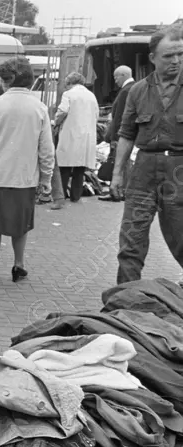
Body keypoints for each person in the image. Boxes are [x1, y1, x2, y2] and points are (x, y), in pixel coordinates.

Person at [0, 57, 55, 289]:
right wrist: (46, 177)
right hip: (23, 178)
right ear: (30, 79)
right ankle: (18, 265)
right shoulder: (40, 108)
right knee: (20, 224)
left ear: (4, 80)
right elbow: (46, 149)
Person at [110, 25, 183, 283]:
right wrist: (117, 175)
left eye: (180, 54)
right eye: (168, 56)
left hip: (178, 172)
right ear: (152, 57)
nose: (176, 61)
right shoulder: (138, 91)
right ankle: (124, 302)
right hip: (143, 170)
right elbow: (126, 134)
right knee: (131, 241)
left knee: (180, 239)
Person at [54, 72, 99, 203]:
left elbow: (62, 111)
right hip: (86, 135)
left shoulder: (68, 94)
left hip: (71, 133)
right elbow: (96, 115)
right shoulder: (91, 96)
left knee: (64, 166)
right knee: (80, 167)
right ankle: (75, 196)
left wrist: (56, 122)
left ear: (70, 83)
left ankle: (61, 195)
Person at [99, 65, 136, 202]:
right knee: (123, 162)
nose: (115, 81)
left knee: (120, 162)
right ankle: (121, 190)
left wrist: (113, 136)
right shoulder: (132, 88)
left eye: (116, 77)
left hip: (120, 135)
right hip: (123, 134)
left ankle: (119, 191)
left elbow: (120, 116)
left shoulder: (126, 90)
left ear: (123, 75)